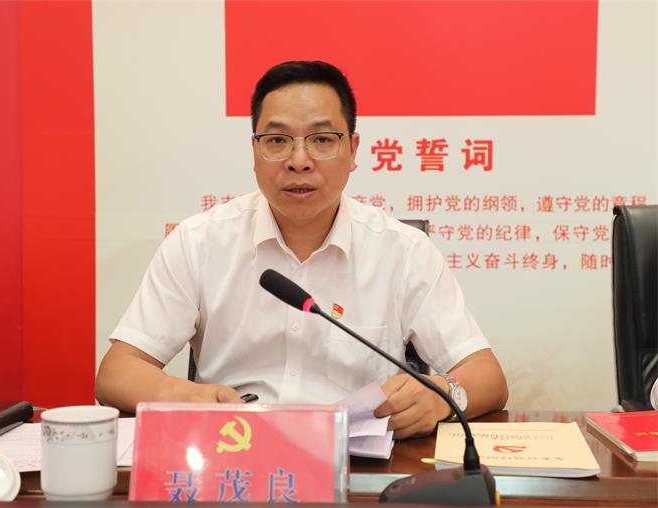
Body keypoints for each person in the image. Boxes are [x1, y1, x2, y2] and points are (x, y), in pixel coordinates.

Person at [95, 61, 508, 438]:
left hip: (358, 467)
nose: (299, 160)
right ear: (254, 151)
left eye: (322, 140)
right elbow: (117, 374)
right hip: (233, 453)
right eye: (277, 140)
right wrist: (187, 397)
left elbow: (487, 376)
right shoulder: (198, 242)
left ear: (353, 150)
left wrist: (443, 396)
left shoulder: (403, 251)